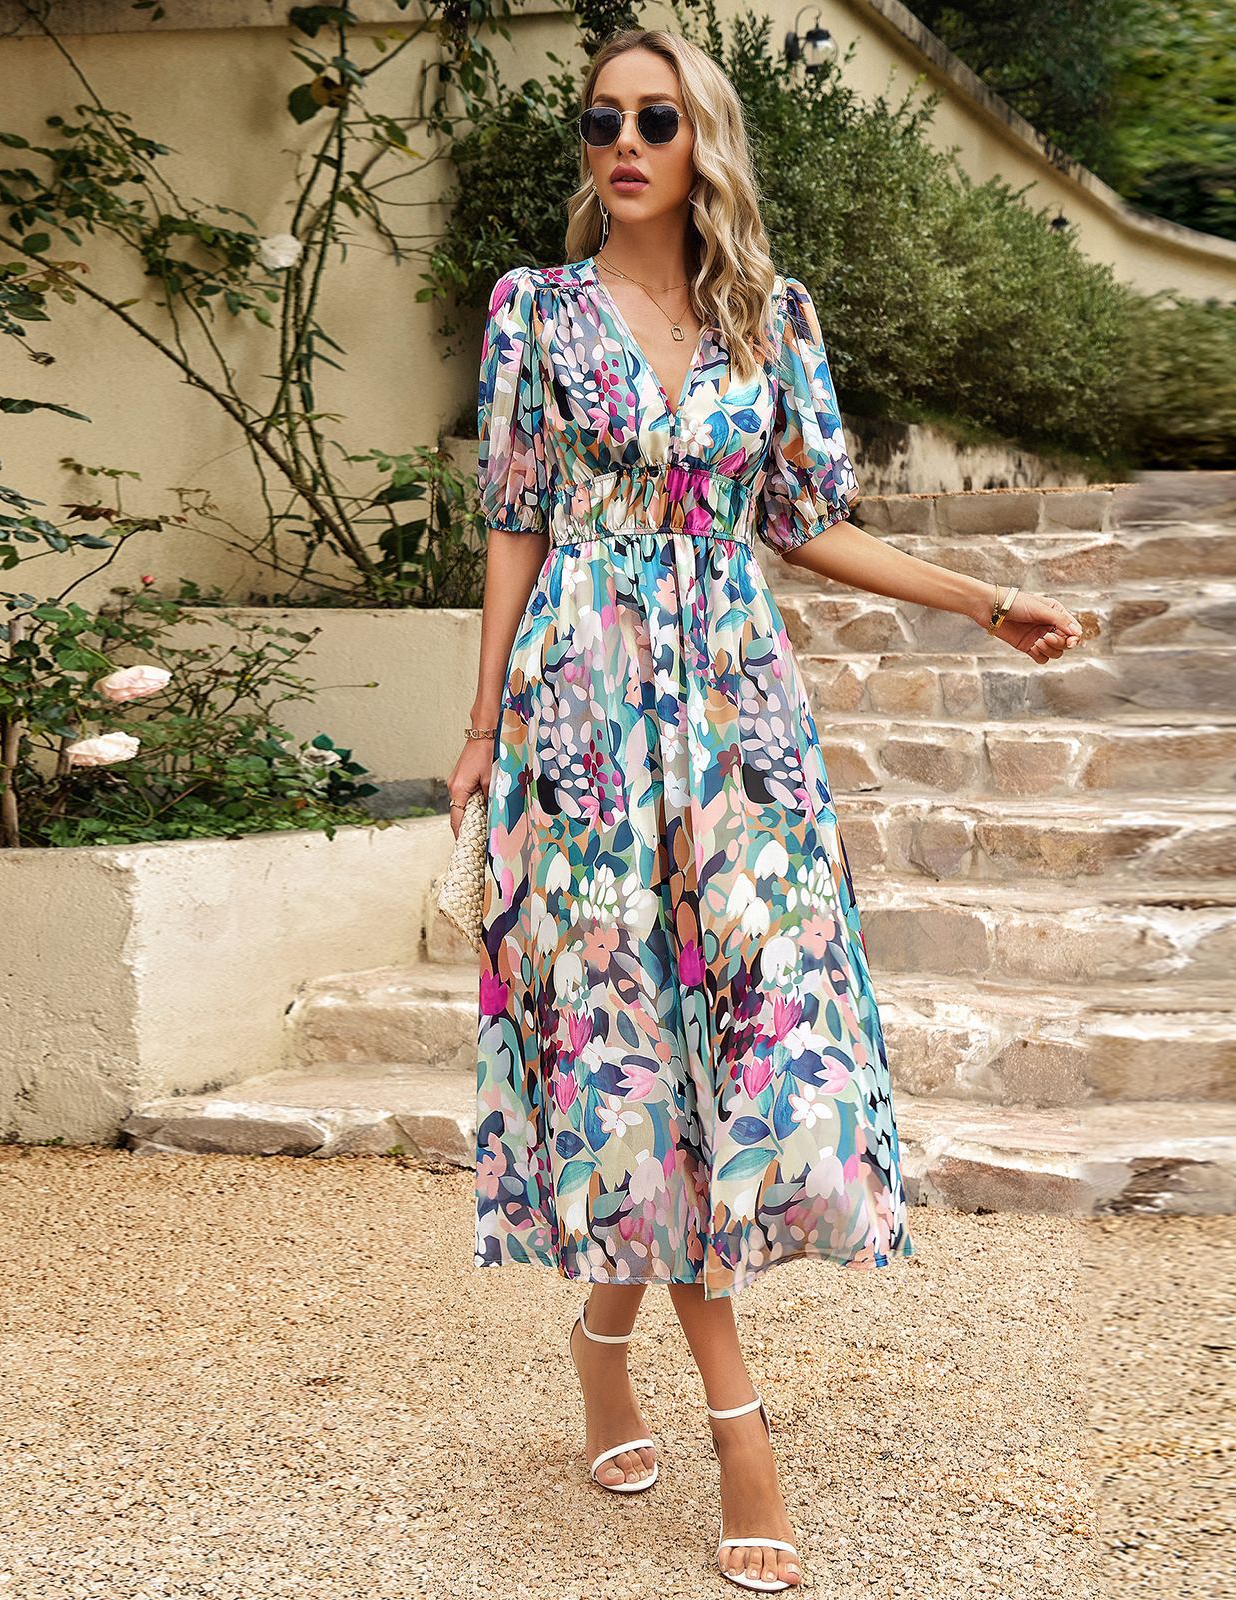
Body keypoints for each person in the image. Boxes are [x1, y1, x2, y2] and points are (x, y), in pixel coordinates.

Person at [448, 26, 1083, 1593]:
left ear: (703, 141)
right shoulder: (535, 310)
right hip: (585, 719)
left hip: (740, 724)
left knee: (756, 1044)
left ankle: (603, 1342)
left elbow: (803, 522)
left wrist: (978, 599)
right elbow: (517, 521)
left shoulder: (768, 316)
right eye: (603, 119)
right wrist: (478, 729)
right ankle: (744, 1433)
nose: (625, 142)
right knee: (631, 1053)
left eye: (657, 119)